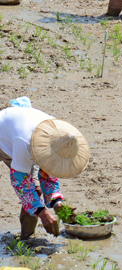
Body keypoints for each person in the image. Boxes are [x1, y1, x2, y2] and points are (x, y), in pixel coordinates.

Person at [0, 98, 88, 240]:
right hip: (4, 137)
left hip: (19, 135)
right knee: (30, 191)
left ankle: (26, 240)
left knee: (36, 191)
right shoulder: (24, 143)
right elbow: (20, 183)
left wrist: (56, 203)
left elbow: (47, 173)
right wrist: (43, 213)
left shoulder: (58, 136)